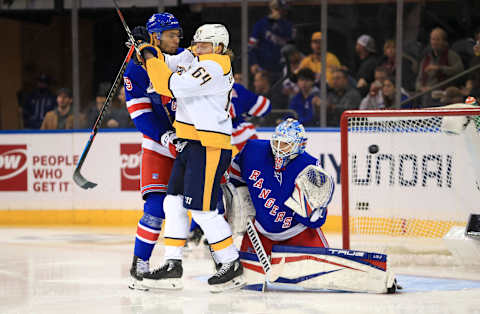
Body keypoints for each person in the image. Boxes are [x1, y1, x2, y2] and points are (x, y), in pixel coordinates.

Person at [139, 23, 244, 292]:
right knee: (172, 203)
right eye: (197, 44)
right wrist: (148, 49)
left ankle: (231, 262)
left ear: (219, 47)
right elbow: (169, 61)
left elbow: (167, 84)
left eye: (204, 45)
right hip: (190, 144)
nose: (198, 49)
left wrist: (150, 56)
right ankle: (172, 263)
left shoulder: (213, 66)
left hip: (209, 145)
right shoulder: (196, 57)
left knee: (202, 209)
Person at [123, 12, 184, 290]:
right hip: (160, 146)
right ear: (155, 36)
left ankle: (226, 263)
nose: (177, 39)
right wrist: (165, 137)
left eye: (177, 33)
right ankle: (140, 263)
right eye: (171, 34)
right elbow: (140, 115)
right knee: (155, 209)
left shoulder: (185, 57)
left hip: (191, 143)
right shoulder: (135, 69)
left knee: (213, 205)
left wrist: (146, 50)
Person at [416, 27, 464, 107]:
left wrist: (439, 68)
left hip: (444, 96)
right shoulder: (426, 58)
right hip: (426, 96)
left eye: (437, 39)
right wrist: (421, 88)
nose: (434, 42)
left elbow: (459, 70)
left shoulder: (451, 55)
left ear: (444, 41)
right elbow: (419, 79)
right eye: (433, 39)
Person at [248, 0, 294, 81]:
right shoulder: (261, 24)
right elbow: (251, 46)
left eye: (283, 10)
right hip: (263, 69)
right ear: (272, 9)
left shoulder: (288, 26)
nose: (281, 13)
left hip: (281, 70)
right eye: (278, 9)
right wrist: (253, 63)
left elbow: (291, 48)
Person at [230, 82, 271, 152]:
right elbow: (265, 107)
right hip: (241, 137)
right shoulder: (234, 87)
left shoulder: (206, 88)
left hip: (212, 136)